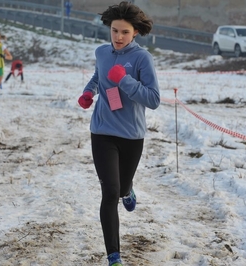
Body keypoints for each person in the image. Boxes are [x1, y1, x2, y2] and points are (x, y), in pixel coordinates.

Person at [77, 2, 159, 266]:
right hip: (102, 130)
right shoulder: (101, 52)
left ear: (135, 32)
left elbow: (153, 98)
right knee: (110, 192)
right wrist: (89, 93)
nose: (119, 37)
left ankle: (129, 189)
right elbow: (98, 78)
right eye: (115, 31)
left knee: (122, 188)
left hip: (131, 135)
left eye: (124, 32)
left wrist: (124, 80)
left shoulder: (142, 58)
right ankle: (114, 256)